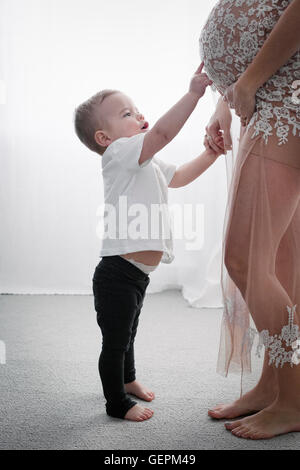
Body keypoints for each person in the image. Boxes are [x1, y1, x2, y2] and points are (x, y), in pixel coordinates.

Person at [74, 63, 225, 421]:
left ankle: (127, 381)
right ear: (104, 138)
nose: (138, 115)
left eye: (136, 108)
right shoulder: (120, 154)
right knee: (115, 342)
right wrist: (193, 95)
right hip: (116, 273)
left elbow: (180, 176)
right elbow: (160, 133)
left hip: (136, 273)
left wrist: (211, 153)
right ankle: (117, 404)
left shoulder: (146, 161)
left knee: (128, 334)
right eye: (127, 114)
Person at [199, 0, 300, 439]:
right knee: (280, 265)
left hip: (283, 102)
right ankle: (273, 385)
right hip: (266, 102)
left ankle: (295, 399)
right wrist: (228, 96)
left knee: (244, 260)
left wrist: (251, 80)